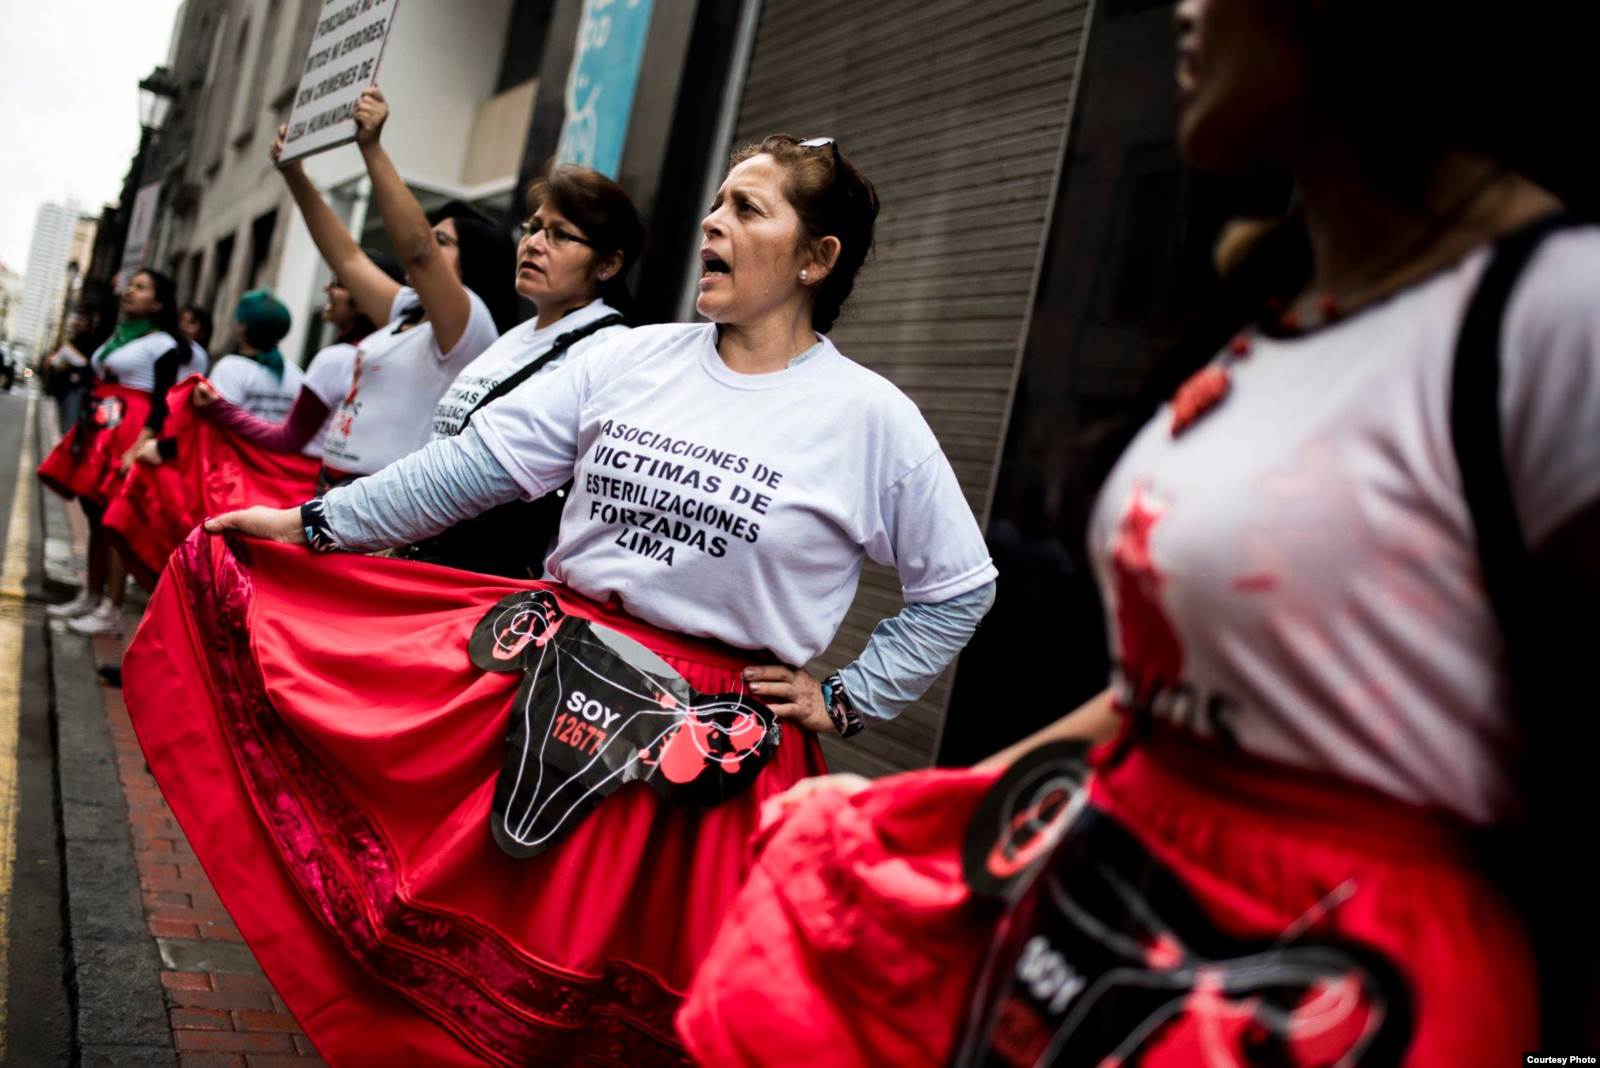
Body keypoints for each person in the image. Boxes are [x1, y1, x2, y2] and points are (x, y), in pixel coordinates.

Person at [677, 1, 1600, 1064]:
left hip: (1335, 992)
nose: (1184, 10)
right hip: (1115, 929)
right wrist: (927, 813)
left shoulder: (1561, 311)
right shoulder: (1270, 319)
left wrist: (843, 701)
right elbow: (1167, 701)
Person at [124, 134, 997, 1065]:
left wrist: (849, 698)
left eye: (748, 209)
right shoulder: (629, 359)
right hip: (552, 695)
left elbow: (957, 589)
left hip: (707, 763)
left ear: (817, 258)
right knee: (451, 991)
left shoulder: (871, 419)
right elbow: (467, 470)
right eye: (716, 203)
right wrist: (312, 526)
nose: (712, 222)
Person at [266, 87, 515, 490]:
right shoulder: (408, 312)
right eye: (431, 236)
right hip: (336, 492)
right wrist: (294, 173)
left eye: (442, 241)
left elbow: (418, 252)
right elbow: (347, 258)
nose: (427, 244)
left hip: (383, 508)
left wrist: (371, 148)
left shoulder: (469, 325)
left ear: (476, 265)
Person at [37, 269, 185, 637]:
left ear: (159, 302)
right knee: (93, 513)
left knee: (114, 519)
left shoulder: (163, 343)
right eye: (130, 286)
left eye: (141, 287)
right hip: (101, 426)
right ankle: (91, 594)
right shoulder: (119, 335)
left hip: (128, 431)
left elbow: (164, 400)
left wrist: (139, 446)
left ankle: (111, 608)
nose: (129, 291)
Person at [193, 259, 401, 461]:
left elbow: (287, 439)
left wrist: (219, 407)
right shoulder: (397, 357)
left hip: (281, 473)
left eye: (338, 284)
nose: (326, 288)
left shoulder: (336, 359)